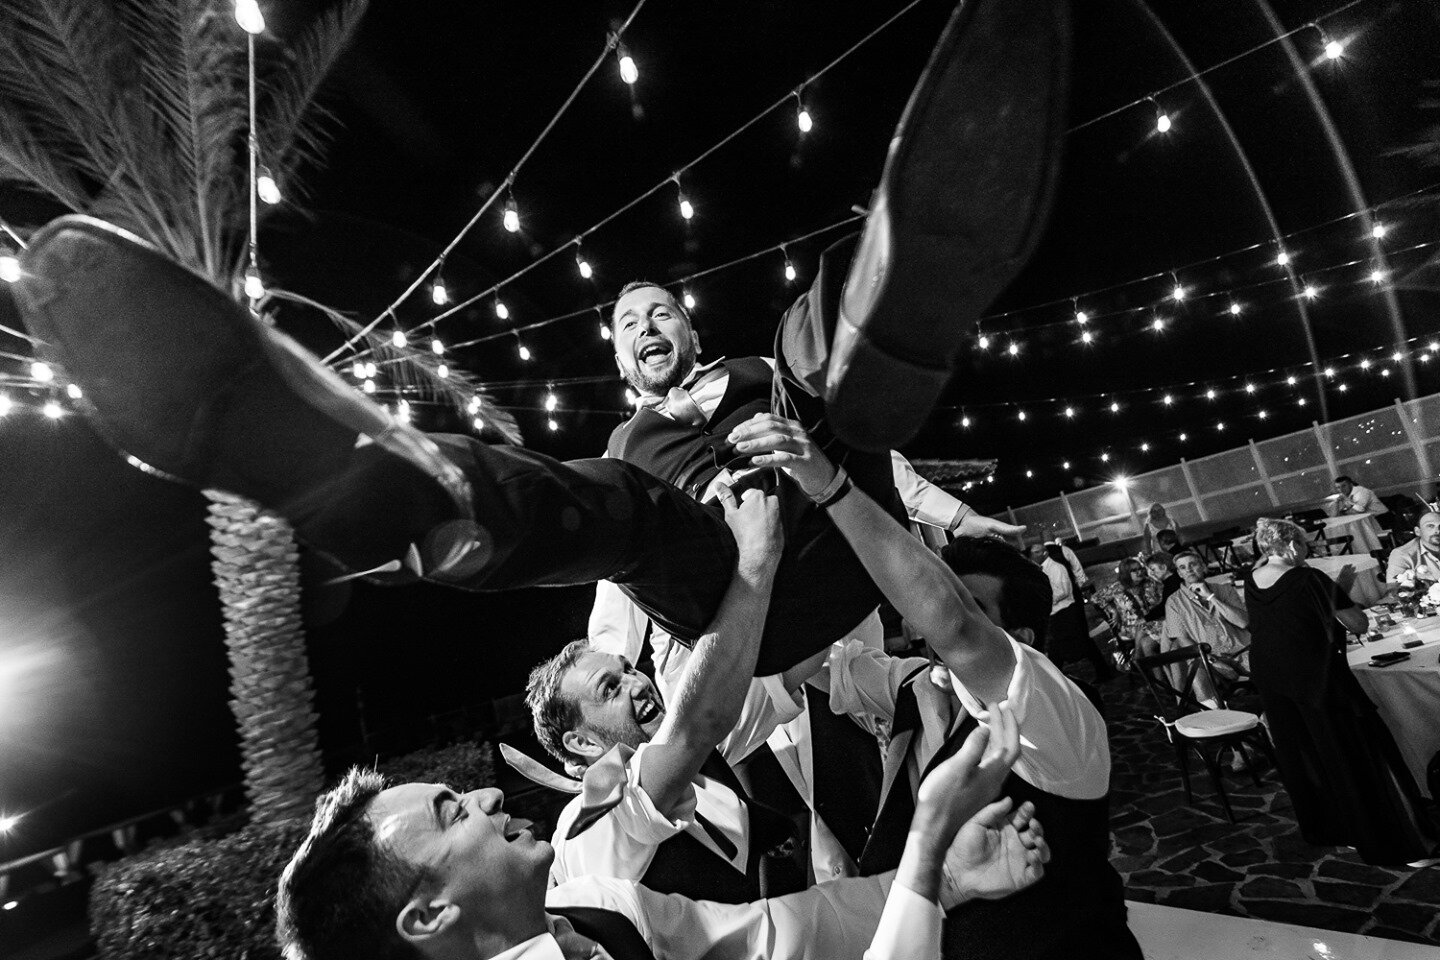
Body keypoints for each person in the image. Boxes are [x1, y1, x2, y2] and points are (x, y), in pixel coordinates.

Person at [10, 0, 1066, 680]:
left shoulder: (753, 371)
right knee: (611, 506)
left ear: (689, 328)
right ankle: (399, 488)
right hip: (750, 595)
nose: (649, 325)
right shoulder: (629, 455)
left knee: (806, 365)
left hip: (853, 529)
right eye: (629, 323)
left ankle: (895, 285)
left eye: (661, 311)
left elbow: (913, 489)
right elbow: (604, 585)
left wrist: (962, 515)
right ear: (618, 361)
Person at [726, 415, 1141, 960]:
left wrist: (828, 485)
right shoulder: (916, 683)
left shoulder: (1055, 712)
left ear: (1020, 640)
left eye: (969, 604)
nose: (918, 624)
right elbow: (817, 654)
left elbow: (956, 625)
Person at [274, 706, 1050, 960]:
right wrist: (923, 857)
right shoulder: (591, 834)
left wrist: (943, 876)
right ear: (427, 915)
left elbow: (783, 932)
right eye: (449, 812)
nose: (481, 793)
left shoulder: (596, 908)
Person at [520, 484, 832, 901]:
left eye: (629, 669)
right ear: (579, 741)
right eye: (611, 688)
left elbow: (805, 657)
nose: (637, 683)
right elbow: (699, 722)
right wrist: (756, 563)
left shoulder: (707, 748)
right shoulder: (589, 822)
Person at [1243, 518, 1436, 867]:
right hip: (1317, 679)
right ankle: (1398, 840)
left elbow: (1287, 616)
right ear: (1291, 546)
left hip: (1274, 680)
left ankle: (1340, 829)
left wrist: (1330, 592)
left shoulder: (1252, 580)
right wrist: (1339, 588)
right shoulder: (1308, 578)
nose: (1308, 552)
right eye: (1304, 546)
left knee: (1311, 754)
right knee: (1358, 753)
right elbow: (1358, 623)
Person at [1026, 541, 1114, 680]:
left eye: (1036, 552)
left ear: (1044, 552)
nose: (1032, 555)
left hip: (1065, 612)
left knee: (1077, 644)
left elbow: (1063, 591)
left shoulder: (1056, 568)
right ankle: (1100, 671)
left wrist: (1043, 599)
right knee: (1062, 647)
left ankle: (1100, 672)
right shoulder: (1043, 569)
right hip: (1058, 613)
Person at [1163, 551, 1250, 675]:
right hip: (1211, 659)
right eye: (1183, 567)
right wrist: (1211, 661)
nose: (1189, 570)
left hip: (1244, 651)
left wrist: (1211, 597)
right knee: (1199, 675)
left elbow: (1243, 623)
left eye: (1192, 564)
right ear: (1179, 573)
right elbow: (1182, 639)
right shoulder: (1173, 602)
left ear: (1203, 567)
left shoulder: (1225, 589)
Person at [1093, 558, 1165, 663]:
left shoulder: (1150, 582)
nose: (1139, 572)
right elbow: (1096, 598)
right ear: (1126, 573)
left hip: (1154, 619)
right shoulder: (1116, 588)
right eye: (1134, 570)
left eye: (1140, 569)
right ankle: (1139, 661)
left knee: (1143, 628)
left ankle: (1137, 660)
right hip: (1130, 627)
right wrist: (1113, 611)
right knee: (1141, 628)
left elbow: (1163, 599)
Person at [1384, 510, 1440, 585]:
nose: (1437, 531)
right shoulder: (1401, 554)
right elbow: (1394, 591)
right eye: (1430, 526)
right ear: (1418, 531)